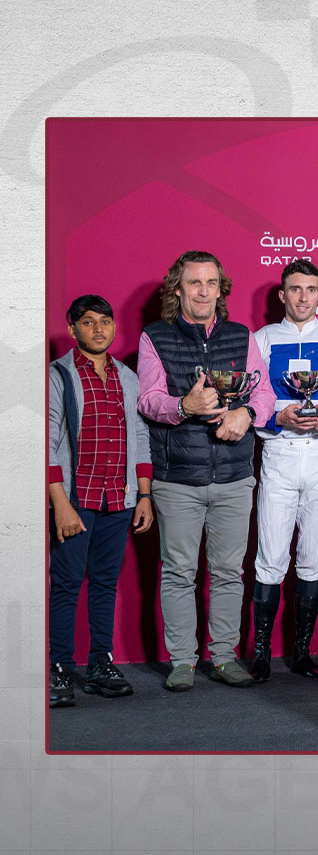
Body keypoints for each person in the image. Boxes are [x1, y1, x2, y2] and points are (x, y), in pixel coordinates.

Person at [136, 252, 275, 691]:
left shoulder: (240, 335)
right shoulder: (155, 336)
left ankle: (224, 657)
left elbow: (265, 393)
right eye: (194, 283)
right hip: (177, 478)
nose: (203, 291)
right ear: (177, 289)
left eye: (211, 283)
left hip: (234, 476)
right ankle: (182, 661)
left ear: (220, 289)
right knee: (179, 573)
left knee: (229, 572)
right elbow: (148, 399)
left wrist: (246, 414)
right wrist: (184, 406)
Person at [250, 260, 318, 681]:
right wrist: (278, 419)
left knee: (313, 558)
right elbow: (251, 400)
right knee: (270, 558)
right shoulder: (262, 339)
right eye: (295, 289)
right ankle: (261, 654)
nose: (302, 297)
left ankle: (302, 652)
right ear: (283, 295)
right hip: (278, 455)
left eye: (310, 289)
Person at [48, 295, 154, 707]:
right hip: (76, 498)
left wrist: (143, 495)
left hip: (118, 497)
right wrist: (60, 503)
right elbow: (47, 442)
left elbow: (140, 436)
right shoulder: (58, 375)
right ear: (72, 328)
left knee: (105, 583)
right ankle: (59, 667)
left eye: (105, 321)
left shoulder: (127, 377)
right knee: (67, 583)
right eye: (88, 322)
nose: (98, 329)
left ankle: (99, 664)